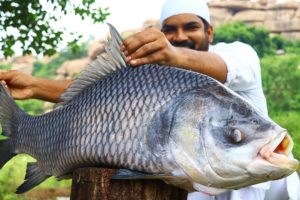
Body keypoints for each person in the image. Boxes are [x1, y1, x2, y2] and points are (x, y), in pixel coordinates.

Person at [0, 0, 299, 199]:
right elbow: (99, 96)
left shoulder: (240, 55)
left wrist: (173, 54)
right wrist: (36, 86)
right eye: (170, 30)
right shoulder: (151, 77)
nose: (180, 35)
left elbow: (222, 66)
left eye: (191, 27)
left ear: (209, 30)